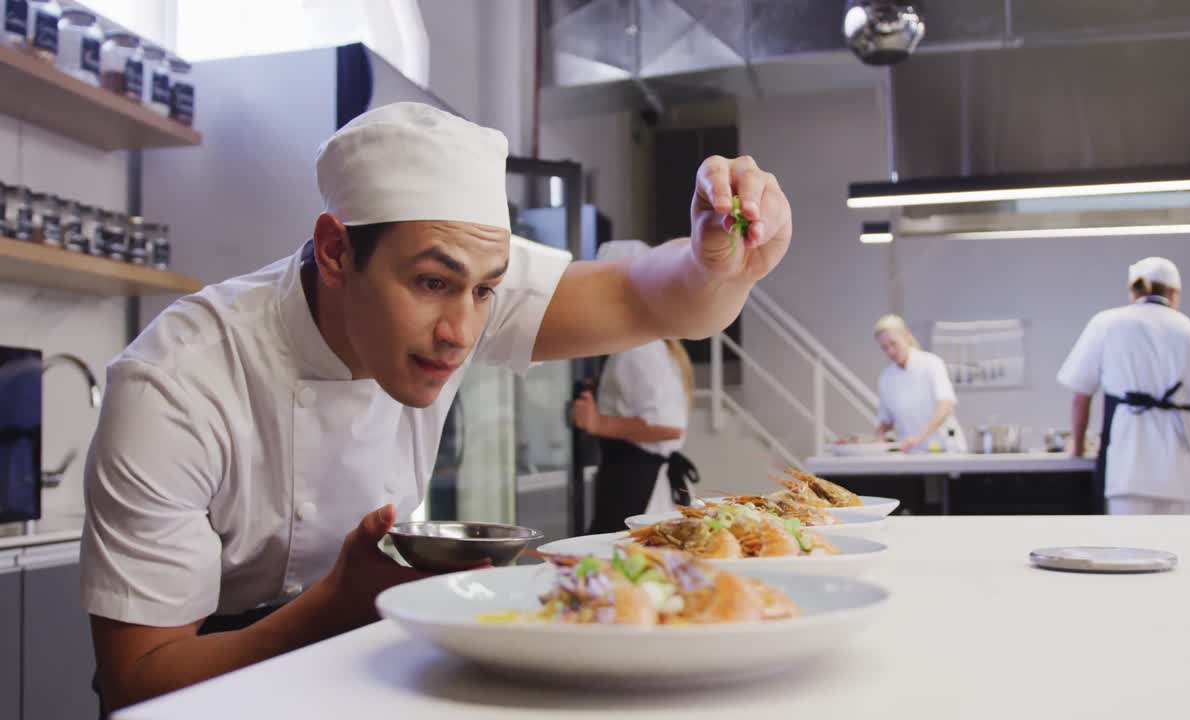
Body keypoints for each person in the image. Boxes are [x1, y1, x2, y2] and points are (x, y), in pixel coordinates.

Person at [81, 102, 793, 712]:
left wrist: (716, 258)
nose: (460, 332)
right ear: (335, 251)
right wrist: (332, 606)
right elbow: (134, 684)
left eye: (485, 291)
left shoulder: (466, 279)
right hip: (214, 683)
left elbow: (651, 296)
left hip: (365, 655)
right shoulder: (176, 383)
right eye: (429, 283)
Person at [1057, 256, 1190, 515]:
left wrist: (1078, 446)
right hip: (1180, 476)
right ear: (1173, 293)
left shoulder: (1105, 324)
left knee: (1125, 550)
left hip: (1126, 471)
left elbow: (1081, 397)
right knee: (1180, 550)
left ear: (1133, 290)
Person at [571, 240, 699, 533]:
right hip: (639, 477)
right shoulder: (647, 342)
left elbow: (669, 427)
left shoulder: (639, 347)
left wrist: (599, 423)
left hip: (637, 481)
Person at [871, 314, 966, 453]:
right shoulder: (886, 377)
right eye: (884, 348)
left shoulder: (931, 364)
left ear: (907, 336)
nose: (890, 351)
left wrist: (919, 438)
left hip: (944, 450)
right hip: (912, 453)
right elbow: (886, 420)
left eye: (893, 344)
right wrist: (877, 440)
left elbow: (946, 406)